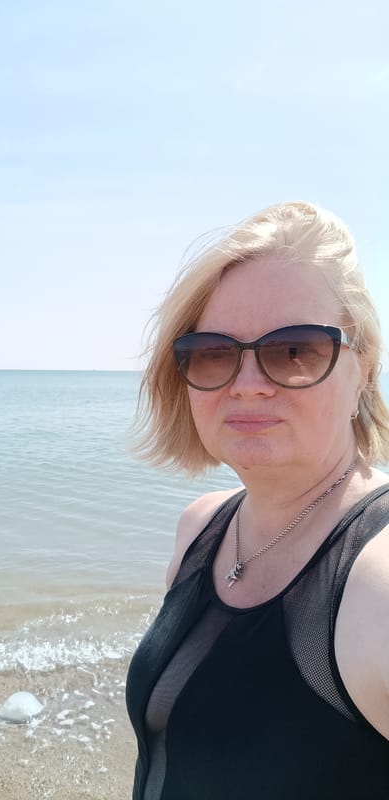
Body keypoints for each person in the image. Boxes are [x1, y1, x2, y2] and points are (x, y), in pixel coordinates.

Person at [126, 201, 389, 800]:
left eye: (295, 350)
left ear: (363, 372)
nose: (246, 383)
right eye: (215, 351)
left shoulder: (377, 582)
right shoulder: (201, 530)